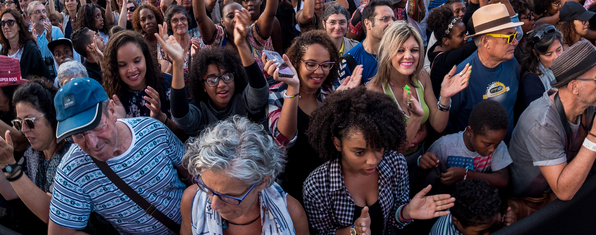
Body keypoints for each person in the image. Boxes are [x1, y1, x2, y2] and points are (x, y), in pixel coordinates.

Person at [303, 86, 455, 235]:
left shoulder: (396, 163)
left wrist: (406, 212)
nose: (372, 161)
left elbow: (394, 221)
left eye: (379, 148)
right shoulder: (317, 186)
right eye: (359, 152)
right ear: (337, 144)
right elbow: (321, 232)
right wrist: (353, 232)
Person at [49, 77, 187, 235]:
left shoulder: (153, 131)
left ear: (112, 110)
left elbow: (193, 174)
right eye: (78, 135)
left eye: (96, 126)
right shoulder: (71, 171)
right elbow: (60, 232)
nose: (92, 143)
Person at [508, 40, 596, 218]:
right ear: (574, 87)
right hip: (529, 202)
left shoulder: (590, 103)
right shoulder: (542, 122)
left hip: (555, 194)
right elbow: (564, 191)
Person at [0, 78, 72, 226]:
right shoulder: (33, 152)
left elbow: (52, 215)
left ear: (52, 116)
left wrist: (10, 165)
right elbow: (11, 192)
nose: (24, 130)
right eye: (18, 123)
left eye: (29, 122)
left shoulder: (69, 155)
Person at [367, 21, 471, 171]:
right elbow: (395, 151)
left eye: (414, 50)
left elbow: (438, 125)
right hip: (389, 167)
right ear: (388, 52)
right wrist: (416, 119)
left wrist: (444, 97)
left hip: (420, 158)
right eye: (400, 50)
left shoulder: (421, 75)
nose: (408, 56)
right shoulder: (375, 92)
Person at [180, 116, 309, 235]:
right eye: (207, 188)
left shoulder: (292, 213)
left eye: (229, 195)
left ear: (263, 181)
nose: (214, 205)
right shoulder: (191, 201)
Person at [266, 30, 353, 203]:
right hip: (290, 190)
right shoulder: (276, 94)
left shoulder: (331, 93)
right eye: (311, 64)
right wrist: (293, 87)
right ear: (297, 62)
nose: (319, 72)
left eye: (326, 64)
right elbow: (285, 138)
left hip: (327, 187)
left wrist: (342, 103)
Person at [170, 8, 269, 136]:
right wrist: (177, 64)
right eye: (212, 80)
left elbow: (260, 92)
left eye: (227, 76)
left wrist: (241, 44)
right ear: (203, 86)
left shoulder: (243, 100)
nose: (222, 84)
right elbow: (181, 117)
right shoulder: (201, 111)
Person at [448, 4, 522, 137]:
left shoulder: (512, 63)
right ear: (486, 41)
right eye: (510, 37)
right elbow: (444, 124)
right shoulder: (461, 76)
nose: (516, 42)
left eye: (515, 35)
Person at [419, 100, 511, 191]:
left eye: (497, 144)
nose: (492, 149)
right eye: (487, 144)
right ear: (470, 132)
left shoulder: (496, 144)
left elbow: (503, 180)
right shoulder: (444, 146)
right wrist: (422, 161)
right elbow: (424, 176)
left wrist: (467, 175)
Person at [102, 30, 178, 133]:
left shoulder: (168, 84)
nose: (132, 69)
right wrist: (119, 123)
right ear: (114, 68)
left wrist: (161, 117)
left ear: (146, 58)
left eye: (137, 61)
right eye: (122, 65)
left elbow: (186, 136)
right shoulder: (110, 98)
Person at [430, 179, 516, 235]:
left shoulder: (462, 211)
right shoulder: (445, 233)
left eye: (491, 226)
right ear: (456, 221)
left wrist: (507, 223)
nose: (487, 234)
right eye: (481, 232)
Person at [338, 0, 395, 84]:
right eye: (385, 19)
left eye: (393, 19)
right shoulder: (349, 61)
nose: (392, 23)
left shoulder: (399, 53)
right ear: (367, 23)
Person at [517, 24, 563, 112]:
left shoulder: (567, 65)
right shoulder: (531, 81)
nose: (556, 57)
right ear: (536, 54)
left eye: (559, 50)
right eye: (549, 54)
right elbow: (542, 113)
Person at [0, 7, 49, 78]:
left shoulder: (31, 50)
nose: (5, 26)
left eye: (10, 23)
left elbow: (45, 78)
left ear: (19, 26)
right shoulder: (3, 52)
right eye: (2, 23)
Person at [28, 1, 65, 77]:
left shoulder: (56, 31)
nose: (42, 14)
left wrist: (50, 40)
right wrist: (32, 43)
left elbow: (63, 56)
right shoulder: (26, 35)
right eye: (37, 12)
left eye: (44, 11)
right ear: (30, 17)